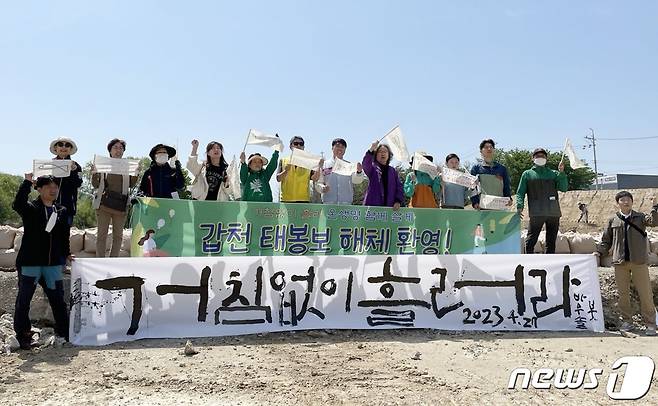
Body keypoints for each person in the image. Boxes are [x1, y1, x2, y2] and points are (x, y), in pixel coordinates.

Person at [12, 174, 72, 349]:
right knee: (24, 300)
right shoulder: (31, 208)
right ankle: (23, 335)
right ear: (39, 189)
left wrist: (67, 254)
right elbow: (17, 204)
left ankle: (63, 332)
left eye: (55, 187)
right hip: (30, 263)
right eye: (48, 187)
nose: (53, 190)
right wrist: (26, 183)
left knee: (58, 300)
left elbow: (63, 236)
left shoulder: (61, 210)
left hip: (52, 265)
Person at [595, 192, 658, 336]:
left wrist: (655, 206)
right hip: (620, 262)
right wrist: (599, 252)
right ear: (618, 203)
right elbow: (606, 240)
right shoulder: (613, 220)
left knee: (646, 294)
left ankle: (650, 324)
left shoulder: (640, 217)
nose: (625, 202)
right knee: (623, 295)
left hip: (639, 262)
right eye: (622, 200)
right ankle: (627, 322)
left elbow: (654, 222)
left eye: (628, 200)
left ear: (632, 202)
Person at [91, 138, 138, 257]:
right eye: (115, 147)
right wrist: (94, 173)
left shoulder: (127, 166)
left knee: (118, 236)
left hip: (120, 204)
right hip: (103, 204)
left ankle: (113, 261)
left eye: (121, 148)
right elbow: (96, 185)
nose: (118, 150)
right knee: (102, 235)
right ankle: (100, 261)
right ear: (110, 150)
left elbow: (131, 184)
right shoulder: (103, 165)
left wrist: (136, 173)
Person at [516, 148, 568, 254]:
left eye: (543, 156)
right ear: (533, 158)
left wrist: (562, 173)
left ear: (546, 159)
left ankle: (549, 265)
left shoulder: (554, 174)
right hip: (536, 212)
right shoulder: (527, 174)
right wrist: (519, 206)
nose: (540, 158)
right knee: (531, 240)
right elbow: (520, 192)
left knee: (551, 242)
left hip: (553, 213)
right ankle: (528, 263)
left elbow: (564, 188)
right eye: (538, 156)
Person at [316, 138, 365, 205]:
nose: (340, 149)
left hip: (346, 204)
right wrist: (322, 188)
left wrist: (359, 172)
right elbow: (319, 182)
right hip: (328, 203)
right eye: (337, 146)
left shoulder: (349, 165)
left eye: (342, 147)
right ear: (332, 148)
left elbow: (357, 181)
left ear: (345, 150)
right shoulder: (324, 165)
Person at [276, 136, 322, 203]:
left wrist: (319, 167)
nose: (298, 145)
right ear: (290, 146)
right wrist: (286, 171)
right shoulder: (283, 160)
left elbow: (315, 179)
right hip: (286, 200)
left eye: (301, 144)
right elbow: (278, 179)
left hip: (303, 200)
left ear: (303, 147)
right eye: (295, 143)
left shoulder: (308, 162)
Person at [49, 137, 83, 226]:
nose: (64, 147)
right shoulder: (48, 165)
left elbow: (78, 183)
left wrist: (73, 171)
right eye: (60, 144)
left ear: (70, 149)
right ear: (56, 147)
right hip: (48, 205)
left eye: (67, 145)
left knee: (64, 237)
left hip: (68, 208)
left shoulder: (77, 166)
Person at [470, 139, 512, 209]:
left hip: (499, 206)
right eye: (486, 147)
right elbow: (472, 188)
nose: (489, 149)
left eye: (491, 147)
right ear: (481, 151)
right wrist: (475, 202)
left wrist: (509, 198)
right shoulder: (476, 168)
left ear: (494, 150)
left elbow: (506, 186)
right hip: (482, 206)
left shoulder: (502, 168)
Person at [362, 141, 404, 209]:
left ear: (389, 155)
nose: (383, 154)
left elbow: (399, 187)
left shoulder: (393, 171)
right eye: (380, 152)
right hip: (373, 208)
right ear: (375, 155)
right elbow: (366, 164)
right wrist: (371, 149)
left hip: (390, 209)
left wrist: (398, 201)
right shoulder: (373, 168)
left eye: (385, 152)